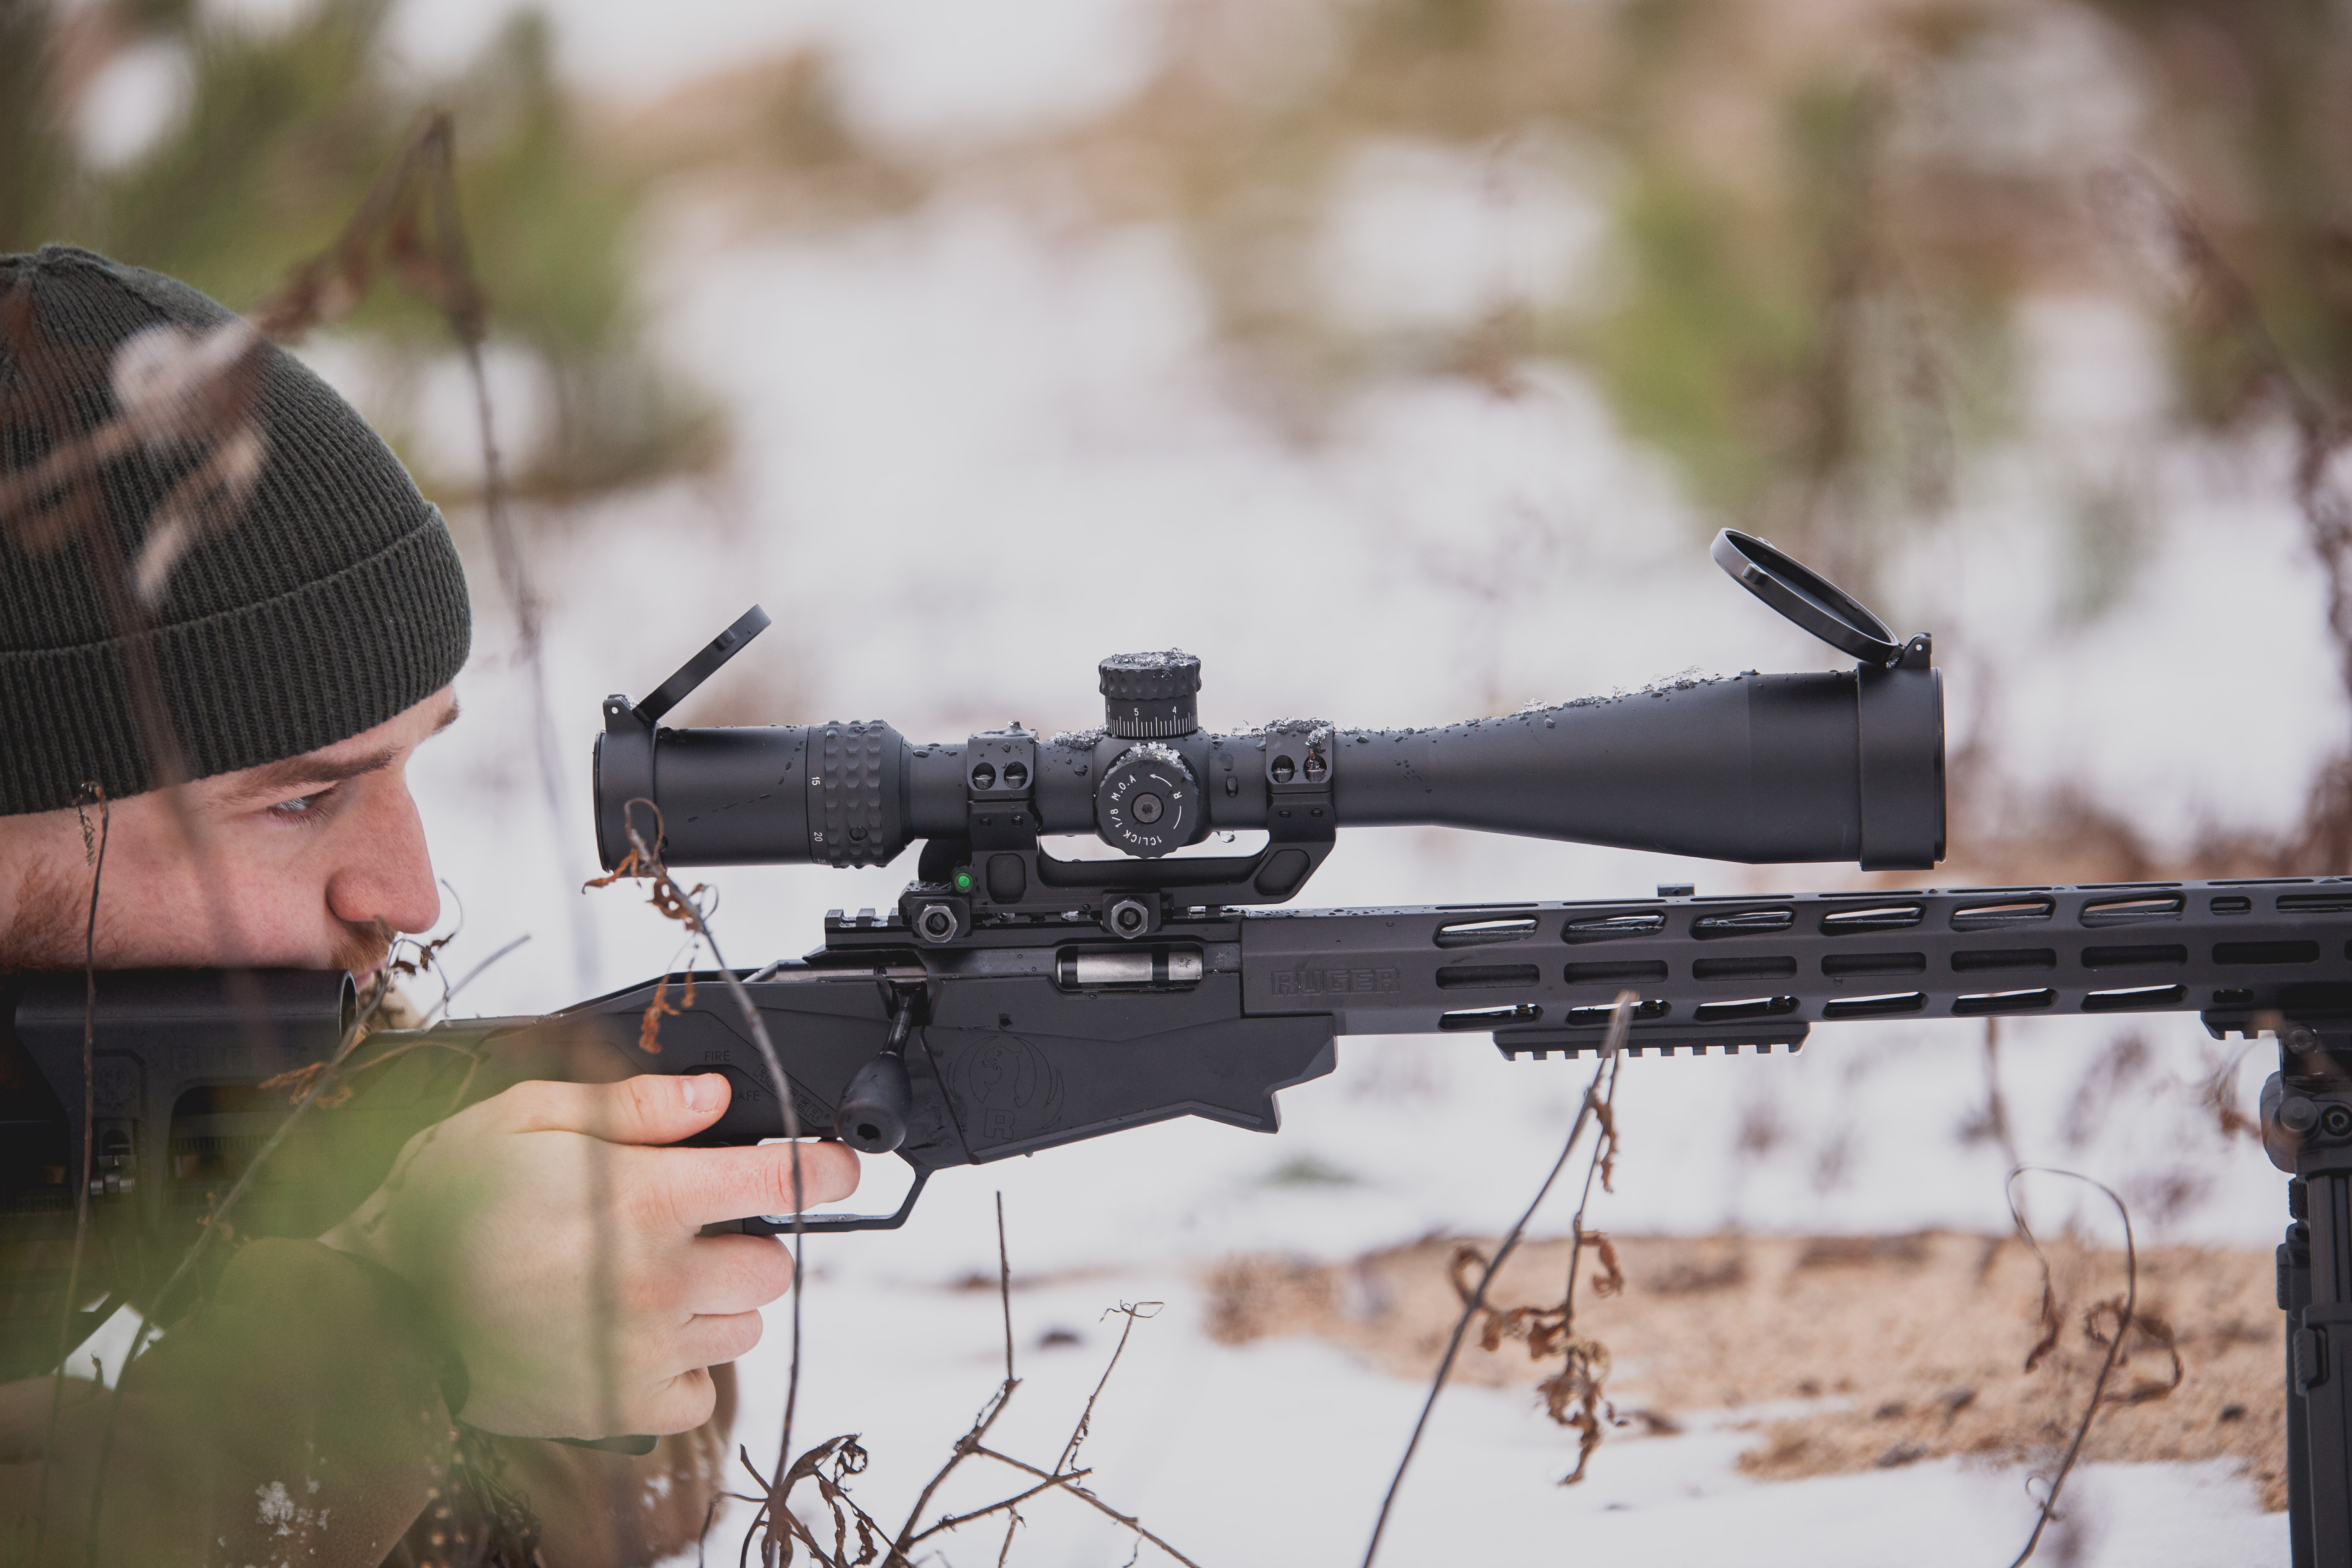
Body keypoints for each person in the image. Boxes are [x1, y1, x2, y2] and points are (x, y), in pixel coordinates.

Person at [0, 244, 859, 1565]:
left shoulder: (208, 1093)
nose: (406, 895)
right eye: (300, 800)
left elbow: (603, 1490)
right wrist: (398, 1333)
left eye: (407, 768)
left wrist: (540, 1278)